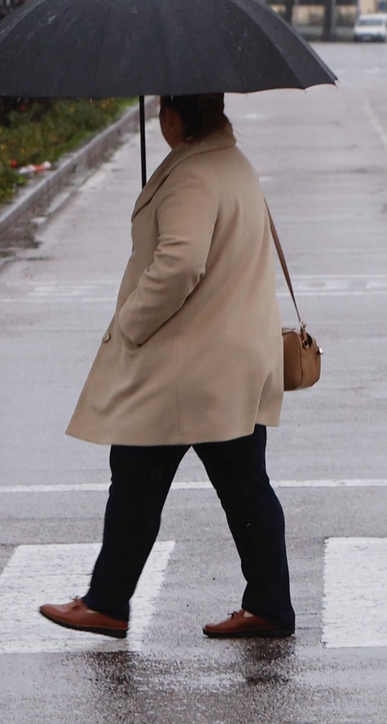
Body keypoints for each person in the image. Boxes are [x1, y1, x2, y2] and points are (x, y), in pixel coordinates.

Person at [39, 93, 294, 640]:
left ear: (178, 117)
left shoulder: (194, 176)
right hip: (233, 360)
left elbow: (180, 263)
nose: (160, 120)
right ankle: (270, 606)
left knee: (135, 477)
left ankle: (108, 602)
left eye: (164, 111)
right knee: (244, 486)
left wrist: (132, 321)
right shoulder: (232, 163)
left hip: (189, 368)